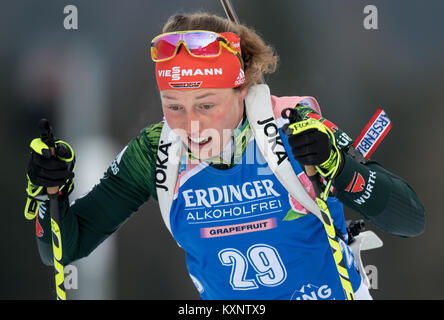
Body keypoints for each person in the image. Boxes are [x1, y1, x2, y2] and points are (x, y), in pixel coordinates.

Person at [25, 12, 425, 300]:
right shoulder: (156, 152)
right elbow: (63, 249)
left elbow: (409, 218)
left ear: (240, 90)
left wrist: (341, 169)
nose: (191, 124)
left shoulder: (294, 129)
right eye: (173, 105)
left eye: (206, 104)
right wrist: (50, 193)